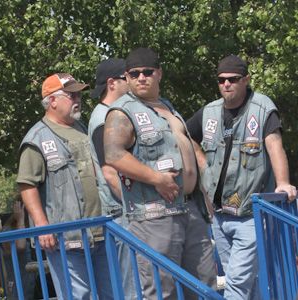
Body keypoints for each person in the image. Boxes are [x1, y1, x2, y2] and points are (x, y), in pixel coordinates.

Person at [104, 47, 217, 299]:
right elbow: (113, 155)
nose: (141, 78)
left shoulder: (168, 108)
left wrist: (204, 190)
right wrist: (156, 178)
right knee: (162, 290)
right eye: (134, 74)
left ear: (159, 74)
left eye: (147, 72)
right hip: (155, 215)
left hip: (190, 209)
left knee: (204, 286)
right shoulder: (123, 111)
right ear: (127, 77)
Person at [186, 54, 297, 299]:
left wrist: (283, 183)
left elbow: (275, 147)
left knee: (236, 282)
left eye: (233, 79)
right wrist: (203, 166)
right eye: (221, 80)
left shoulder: (262, 108)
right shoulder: (209, 112)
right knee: (247, 283)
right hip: (218, 215)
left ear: (245, 79)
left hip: (249, 214)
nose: (226, 84)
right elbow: (185, 134)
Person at [17, 73, 112, 299]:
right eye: (71, 95)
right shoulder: (37, 138)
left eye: (79, 93)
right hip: (66, 238)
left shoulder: (82, 128)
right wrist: (43, 227)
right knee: (79, 296)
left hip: (100, 232)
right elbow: (27, 185)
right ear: (52, 101)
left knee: (111, 294)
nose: (78, 98)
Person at [88, 58, 136, 299]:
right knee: (131, 289)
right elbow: (108, 170)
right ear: (112, 83)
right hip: (120, 215)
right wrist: (133, 205)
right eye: (127, 77)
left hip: (123, 214)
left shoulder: (112, 115)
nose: (133, 82)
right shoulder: (103, 120)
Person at [1, 197, 35, 300]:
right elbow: (20, 246)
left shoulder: (30, 227)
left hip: (32, 286)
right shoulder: (7, 230)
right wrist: (20, 219)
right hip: (18, 288)